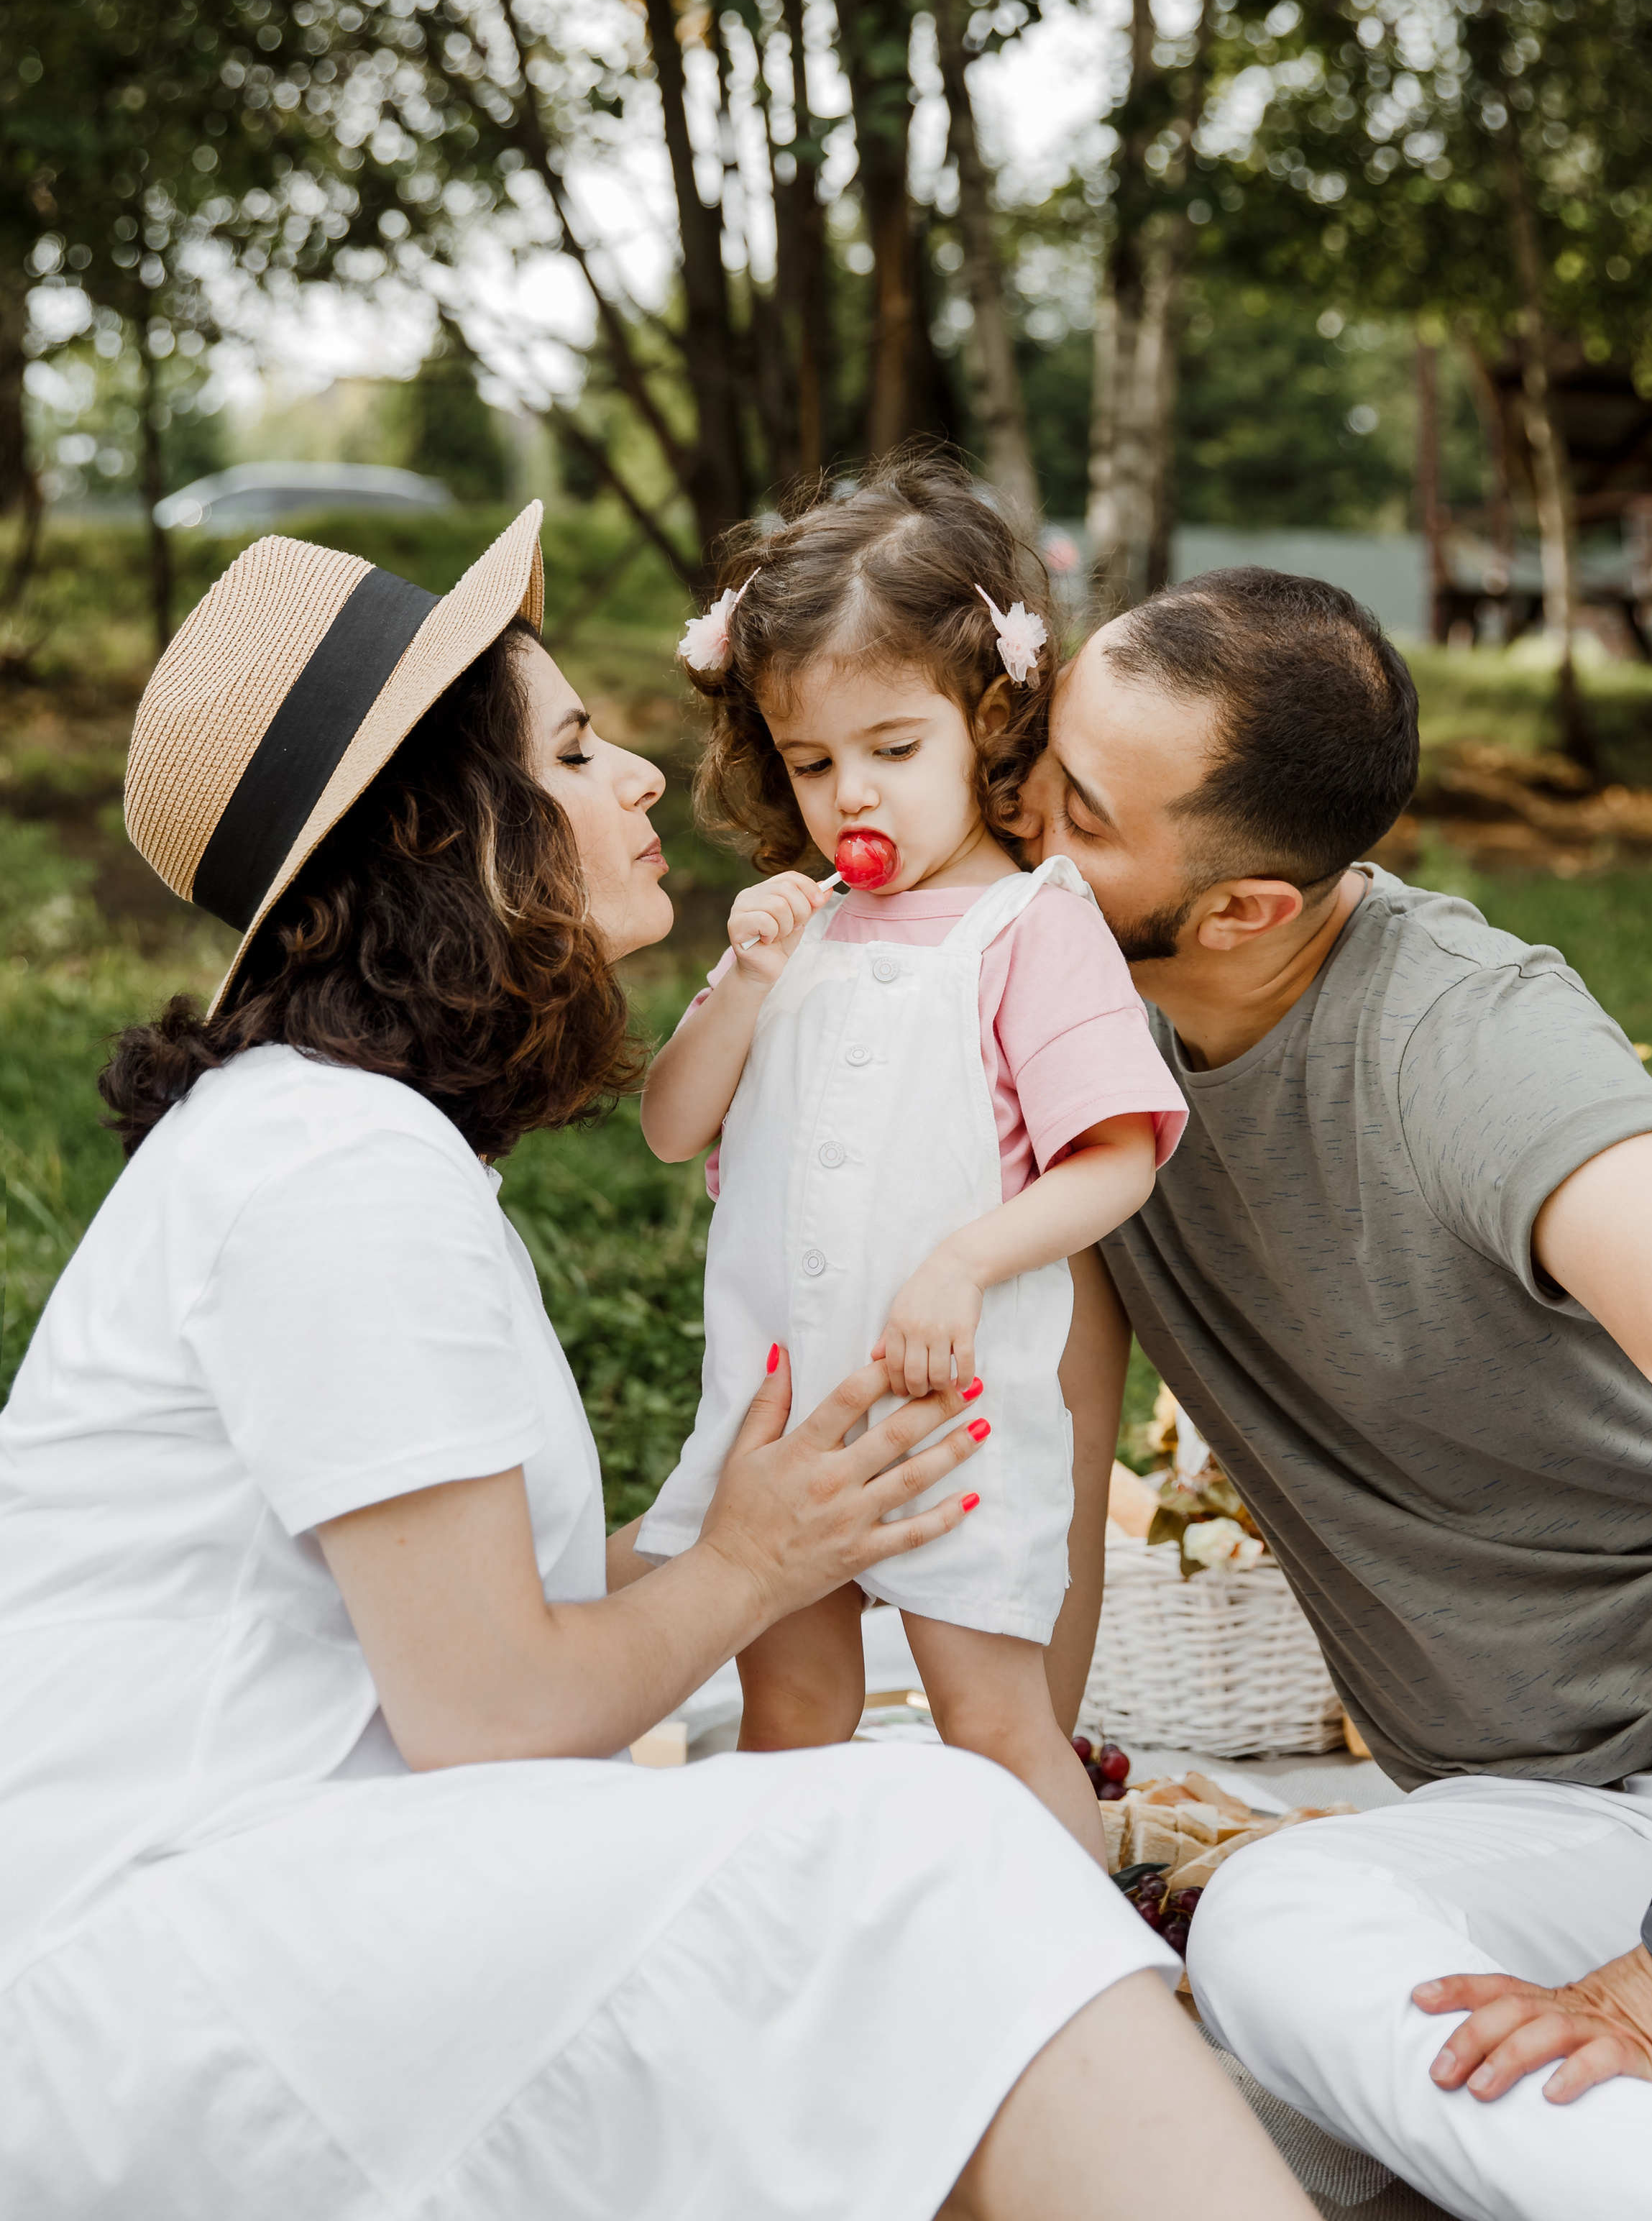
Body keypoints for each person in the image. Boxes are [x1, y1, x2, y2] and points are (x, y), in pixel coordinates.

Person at [0, 506, 1311, 2221]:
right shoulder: (334, 1177)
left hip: (270, 1882)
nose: (636, 778)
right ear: (442, 830)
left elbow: (477, 1625)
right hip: (178, 1960)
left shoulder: (350, 1145)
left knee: (919, 1841)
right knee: (934, 1851)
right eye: (570, 745)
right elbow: (492, 1712)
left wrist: (765, 1534)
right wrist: (762, 1556)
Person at [1017, 564, 1652, 2221]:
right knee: (1277, 1927)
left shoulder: (1455, 1031)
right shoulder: (1077, 1051)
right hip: (1558, 1809)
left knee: (1280, 1928)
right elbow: (1053, 1495)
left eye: (1075, 812)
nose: (1013, 815)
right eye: (1039, 761)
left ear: (1243, 907)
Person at [638, 459, 1186, 1858]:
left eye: (892, 749)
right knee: (790, 1708)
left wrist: (963, 1261)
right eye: (811, 764)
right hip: (780, 1418)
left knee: (994, 1725)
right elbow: (670, 1122)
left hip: (950, 1417)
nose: (848, 798)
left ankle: (1087, 1986)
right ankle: (784, 1960)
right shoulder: (796, 928)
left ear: (988, 723)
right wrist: (745, 982)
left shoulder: (1029, 929)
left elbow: (1116, 1157)